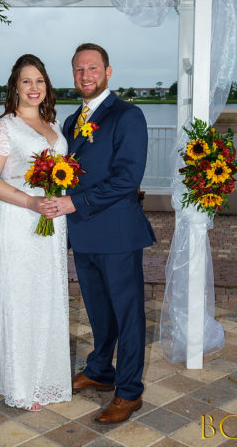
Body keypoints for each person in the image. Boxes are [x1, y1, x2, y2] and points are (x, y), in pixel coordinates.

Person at [43, 42, 156, 423]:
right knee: (97, 310)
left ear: (108, 72)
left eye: (93, 68)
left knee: (128, 315)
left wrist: (74, 203)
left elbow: (127, 178)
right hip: (82, 233)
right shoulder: (71, 120)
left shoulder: (128, 115)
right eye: (79, 69)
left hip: (118, 234)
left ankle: (129, 391)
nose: (85, 75)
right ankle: (100, 370)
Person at [0, 54, 71, 411]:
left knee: (45, 296)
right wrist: (30, 202)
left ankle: (45, 378)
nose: (34, 87)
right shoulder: (6, 127)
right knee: (19, 297)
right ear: (15, 87)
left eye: (40, 80)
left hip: (51, 219)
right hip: (17, 219)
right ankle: (20, 385)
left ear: (47, 86)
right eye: (27, 81)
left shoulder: (53, 123)